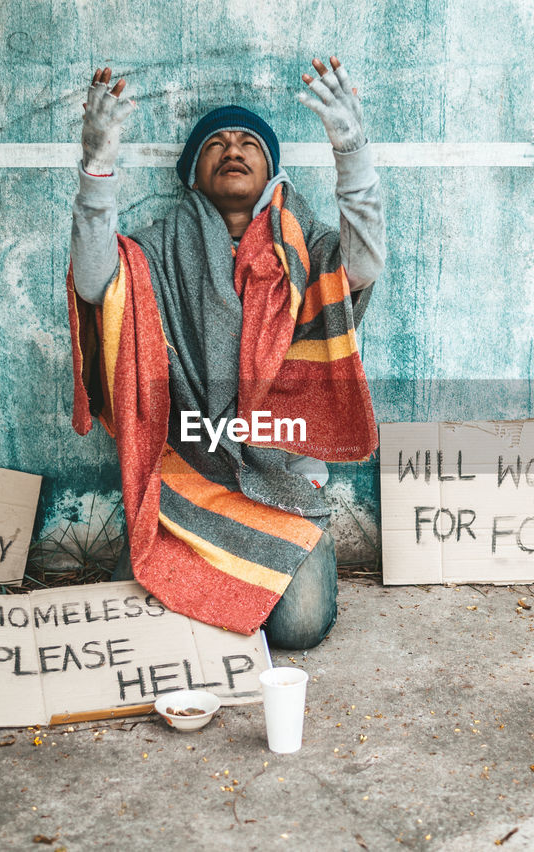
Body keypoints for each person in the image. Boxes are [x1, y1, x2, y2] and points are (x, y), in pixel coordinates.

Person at [66, 57, 385, 650]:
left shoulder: (309, 247)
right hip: (188, 486)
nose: (232, 148)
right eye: (215, 142)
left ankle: (268, 578)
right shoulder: (157, 250)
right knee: (130, 618)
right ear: (193, 174)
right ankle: (226, 593)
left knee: (299, 629)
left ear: (269, 171)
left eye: (248, 143)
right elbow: (93, 285)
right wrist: (97, 167)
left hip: (283, 492)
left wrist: (352, 151)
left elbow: (362, 265)